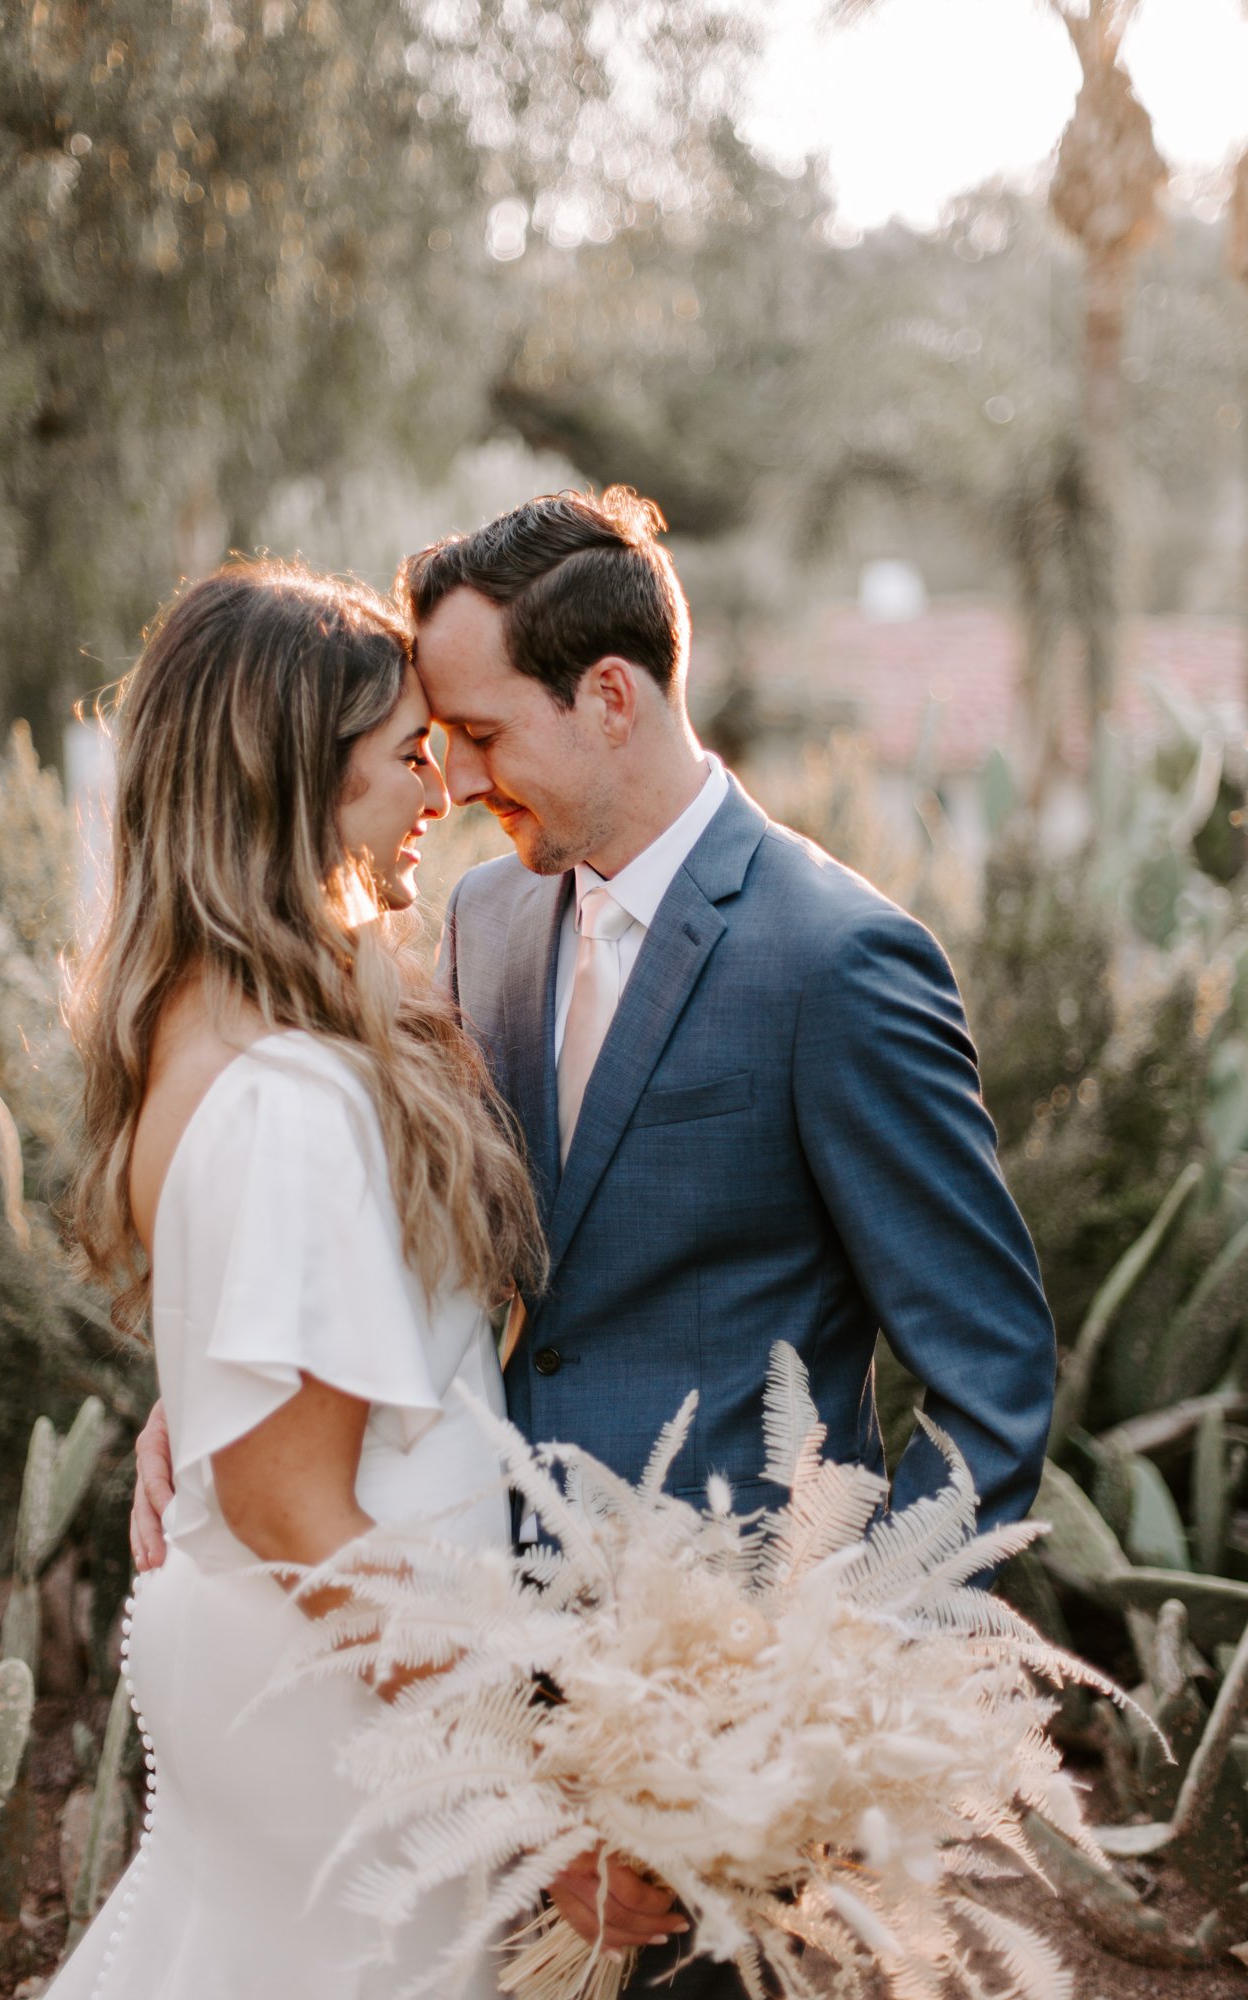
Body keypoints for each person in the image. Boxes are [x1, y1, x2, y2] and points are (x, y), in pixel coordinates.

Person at [132, 489, 1057, 1992]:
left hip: (719, 1715)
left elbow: (992, 1375)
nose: (458, 779)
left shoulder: (836, 960)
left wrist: (832, 1706)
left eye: (484, 736)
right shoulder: (488, 922)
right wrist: (230, 1391)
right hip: (473, 1682)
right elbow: (403, 1233)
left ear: (609, 695)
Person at [53, 559, 546, 2000]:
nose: (439, 791)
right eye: (405, 758)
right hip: (341, 1695)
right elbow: (291, 1504)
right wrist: (524, 1781)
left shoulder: (212, 1033)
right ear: (293, 788)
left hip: (292, 1662)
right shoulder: (285, 1095)